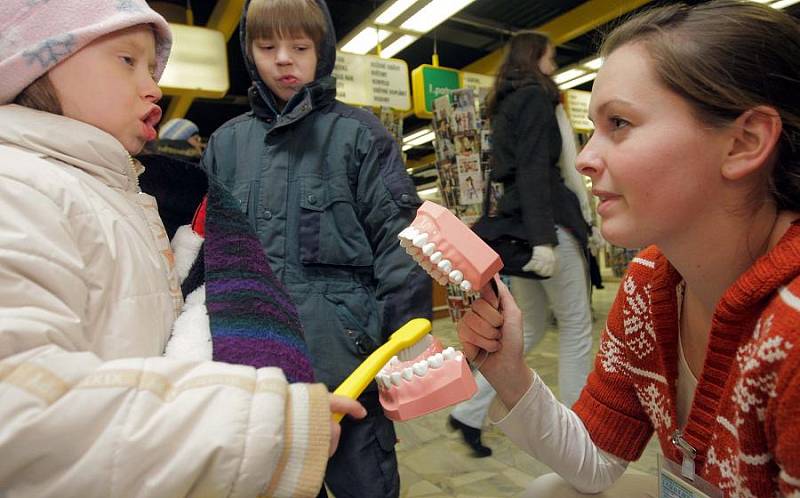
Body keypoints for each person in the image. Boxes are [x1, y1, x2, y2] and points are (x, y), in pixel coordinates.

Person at [0, 2, 365, 497]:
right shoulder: (18, 188)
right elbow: (16, 406)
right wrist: (260, 428)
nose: (154, 87)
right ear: (32, 62)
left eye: (153, 68)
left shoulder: (121, 197)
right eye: (127, 61)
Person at [457, 1, 800, 496]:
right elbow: (594, 460)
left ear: (744, 142)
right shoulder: (651, 282)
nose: (585, 161)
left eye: (619, 123)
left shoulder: (789, 332)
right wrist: (508, 372)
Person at [201, 1, 432, 496]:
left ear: (322, 51)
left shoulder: (360, 136)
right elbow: (211, 259)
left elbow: (401, 249)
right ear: (249, 52)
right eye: (267, 47)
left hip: (348, 370)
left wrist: (397, 353)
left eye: (300, 47)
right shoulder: (225, 146)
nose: (284, 59)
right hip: (255, 373)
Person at [454, 31, 593, 457]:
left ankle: (467, 413)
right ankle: (579, 433)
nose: (553, 63)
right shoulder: (537, 97)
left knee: (529, 327)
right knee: (576, 328)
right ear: (537, 55)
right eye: (550, 55)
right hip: (547, 224)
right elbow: (538, 167)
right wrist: (544, 239)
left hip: (520, 225)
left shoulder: (506, 102)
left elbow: (516, 170)